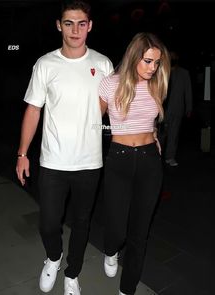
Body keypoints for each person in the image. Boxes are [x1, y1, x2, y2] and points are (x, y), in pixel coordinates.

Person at [15, 1, 113, 294]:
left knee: (82, 223)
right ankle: (53, 257)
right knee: (48, 223)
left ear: (90, 26)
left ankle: (72, 272)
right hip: (53, 162)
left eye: (81, 23)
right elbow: (33, 110)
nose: (75, 30)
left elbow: (106, 110)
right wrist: (22, 154)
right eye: (68, 23)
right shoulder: (46, 64)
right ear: (59, 25)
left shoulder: (103, 64)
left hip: (89, 162)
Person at [99, 32, 170, 295]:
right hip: (119, 158)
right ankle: (110, 250)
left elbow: (150, 119)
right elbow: (94, 120)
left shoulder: (156, 84)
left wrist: (152, 135)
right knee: (117, 227)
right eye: (148, 61)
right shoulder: (110, 84)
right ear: (133, 57)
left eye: (156, 63)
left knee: (140, 233)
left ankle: (126, 290)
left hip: (150, 160)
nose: (153, 68)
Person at [163, 51, 193, 166]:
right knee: (160, 135)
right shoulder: (162, 71)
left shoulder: (184, 73)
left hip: (177, 109)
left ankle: (170, 157)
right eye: (170, 55)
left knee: (173, 135)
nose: (172, 57)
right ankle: (156, 157)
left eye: (174, 55)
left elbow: (188, 91)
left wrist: (188, 107)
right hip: (162, 110)